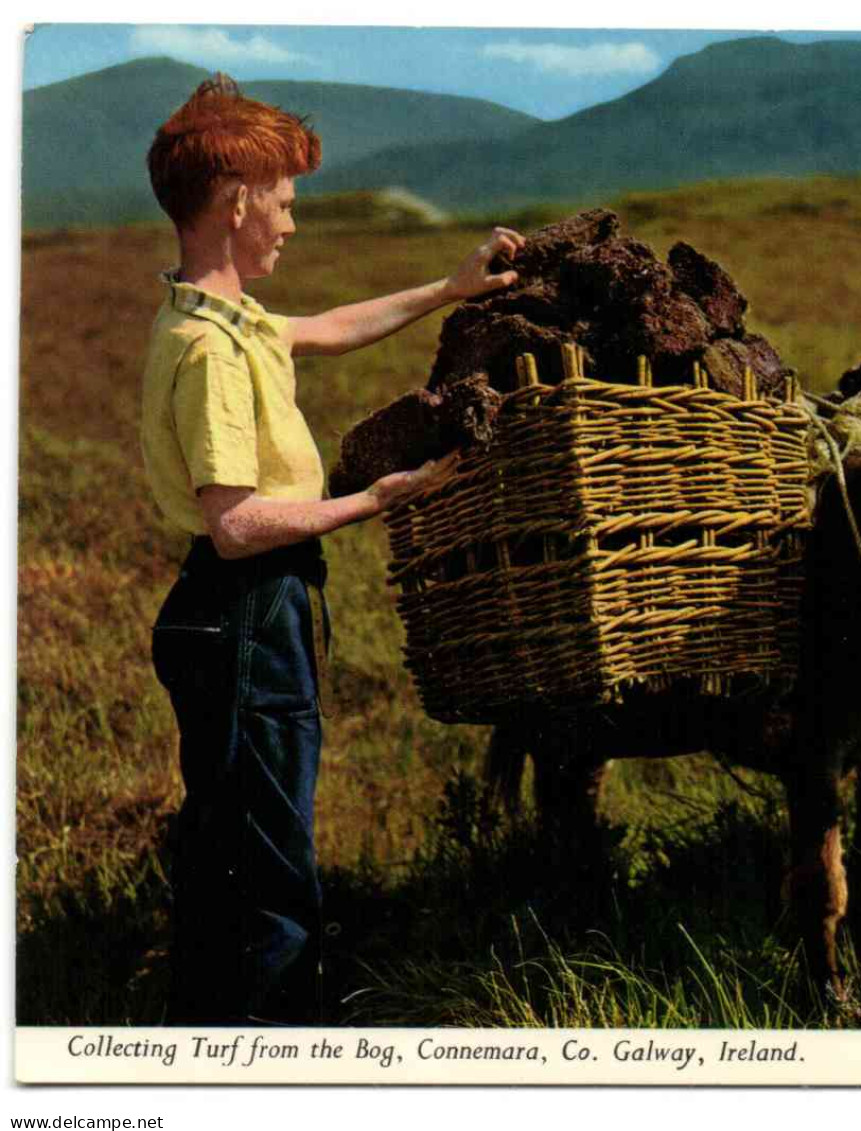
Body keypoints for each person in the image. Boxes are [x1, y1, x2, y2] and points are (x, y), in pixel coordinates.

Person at [140, 74, 525, 1024]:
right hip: (245, 611)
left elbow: (324, 330)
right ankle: (278, 1052)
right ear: (236, 204)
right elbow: (235, 526)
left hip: (237, 614)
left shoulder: (220, 319)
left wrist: (450, 288)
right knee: (273, 873)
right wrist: (375, 498)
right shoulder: (210, 352)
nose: (292, 225)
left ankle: (204, 1030)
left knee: (226, 844)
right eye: (284, 203)